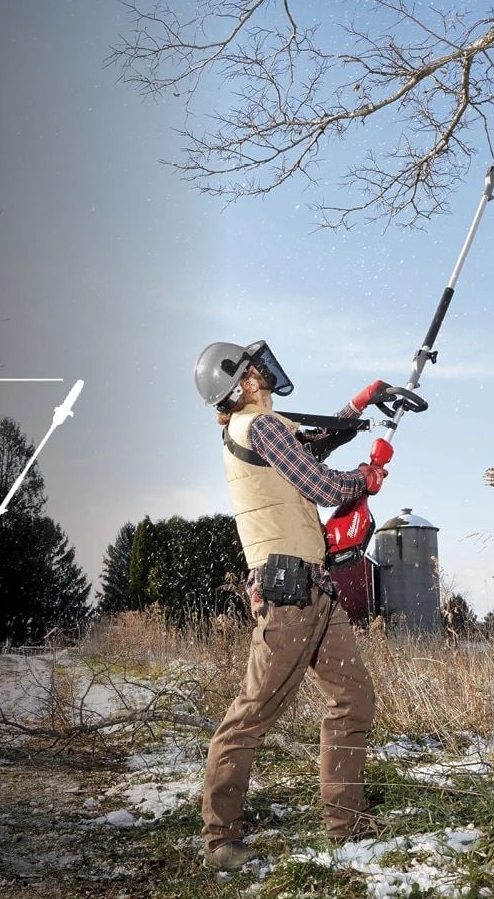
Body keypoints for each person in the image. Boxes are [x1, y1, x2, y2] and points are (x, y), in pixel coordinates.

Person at [193, 339, 391, 871]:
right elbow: (321, 483)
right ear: (242, 383)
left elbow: (313, 448)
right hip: (288, 595)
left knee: (353, 697)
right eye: (257, 368)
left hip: (314, 589)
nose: (266, 373)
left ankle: (348, 823)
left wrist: (357, 406)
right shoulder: (258, 427)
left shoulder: (265, 430)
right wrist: (364, 480)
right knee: (251, 714)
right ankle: (220, 839)